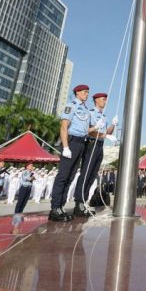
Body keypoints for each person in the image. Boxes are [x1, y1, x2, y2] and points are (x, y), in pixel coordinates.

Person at [49, 84, 97, 222]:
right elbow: (64, 127)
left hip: (82, 142)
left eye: (87, 92)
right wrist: (65, 147)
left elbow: (85, 130)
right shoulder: (71, 106)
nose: (87, 94)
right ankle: (55, 208)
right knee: (63, 176)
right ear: (77, 93)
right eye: (84, 92)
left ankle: (61, 207)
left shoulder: (86, 109)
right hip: (72, 142)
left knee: (70, 177)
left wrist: (96, 127)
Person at [72, 92, 117, 218]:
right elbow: (90, 132)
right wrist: (104, 134)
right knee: (86, 174)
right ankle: (79, 203)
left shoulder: (104, 116)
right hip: (91, 144)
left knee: (92, 176)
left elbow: (107, 132)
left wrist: (113, 124)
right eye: (103, 99)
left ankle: (84, 202)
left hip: (100, 145)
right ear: (96, 100)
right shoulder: (90, 113)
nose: (105, 101)